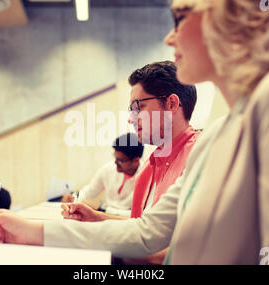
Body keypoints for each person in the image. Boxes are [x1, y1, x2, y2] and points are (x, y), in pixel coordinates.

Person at [0, 0, 269, 264]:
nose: (170, 37)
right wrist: (29, 231)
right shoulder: (217, 135)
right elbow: (146, 232)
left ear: (237, 14)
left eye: (180, 16)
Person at [60, 61, 200, 264]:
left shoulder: (200, 157)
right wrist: (95, 218)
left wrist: (97, 240)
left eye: (139, 107)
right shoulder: (148, 168)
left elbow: (184, 251)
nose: (131, 119)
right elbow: (144, 230)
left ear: (171, 104)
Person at [61, 133, 144, 217]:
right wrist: (74, 197)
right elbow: (89, 191)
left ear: (136, 160)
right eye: (115, 158)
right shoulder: (108, 168)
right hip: (104, 216)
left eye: (120, 160)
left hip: (127, 223)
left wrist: (102, 210)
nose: (115, 162)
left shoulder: (147, 177)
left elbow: (140, 215)